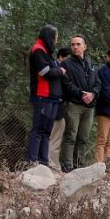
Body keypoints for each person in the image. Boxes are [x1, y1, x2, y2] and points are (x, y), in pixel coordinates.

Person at [27, 25, 66, 166]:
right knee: (38, 129)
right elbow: (44, 72)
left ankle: (43, 163)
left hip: (52, 98)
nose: (56, 41)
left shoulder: (47, 52)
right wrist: (60, 71)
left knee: (47, 131)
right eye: (55, 37)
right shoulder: (38, 50)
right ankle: (32, 162)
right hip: (41, 96)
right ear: (49, 36)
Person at [60, 34, 99, 171]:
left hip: (89, 107)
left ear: (85, 47)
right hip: (74, 105)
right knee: (71, 135)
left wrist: (93, 94)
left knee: (83, 137)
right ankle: (67, 165)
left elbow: (98, 84)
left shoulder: (91, 64)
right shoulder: (66, 64)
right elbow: (66, 84)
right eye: (73, 44)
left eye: (78, 44)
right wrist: (81, 94)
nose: (75, 47)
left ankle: (79, 165)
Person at [48, 46, 71, 170]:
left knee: (56, 138)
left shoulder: (58, 68)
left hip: (58, 109)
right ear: (61, 57)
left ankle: (54, 164)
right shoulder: (56, 69)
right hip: (54, 108)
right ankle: (52, 165)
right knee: (53, 137)